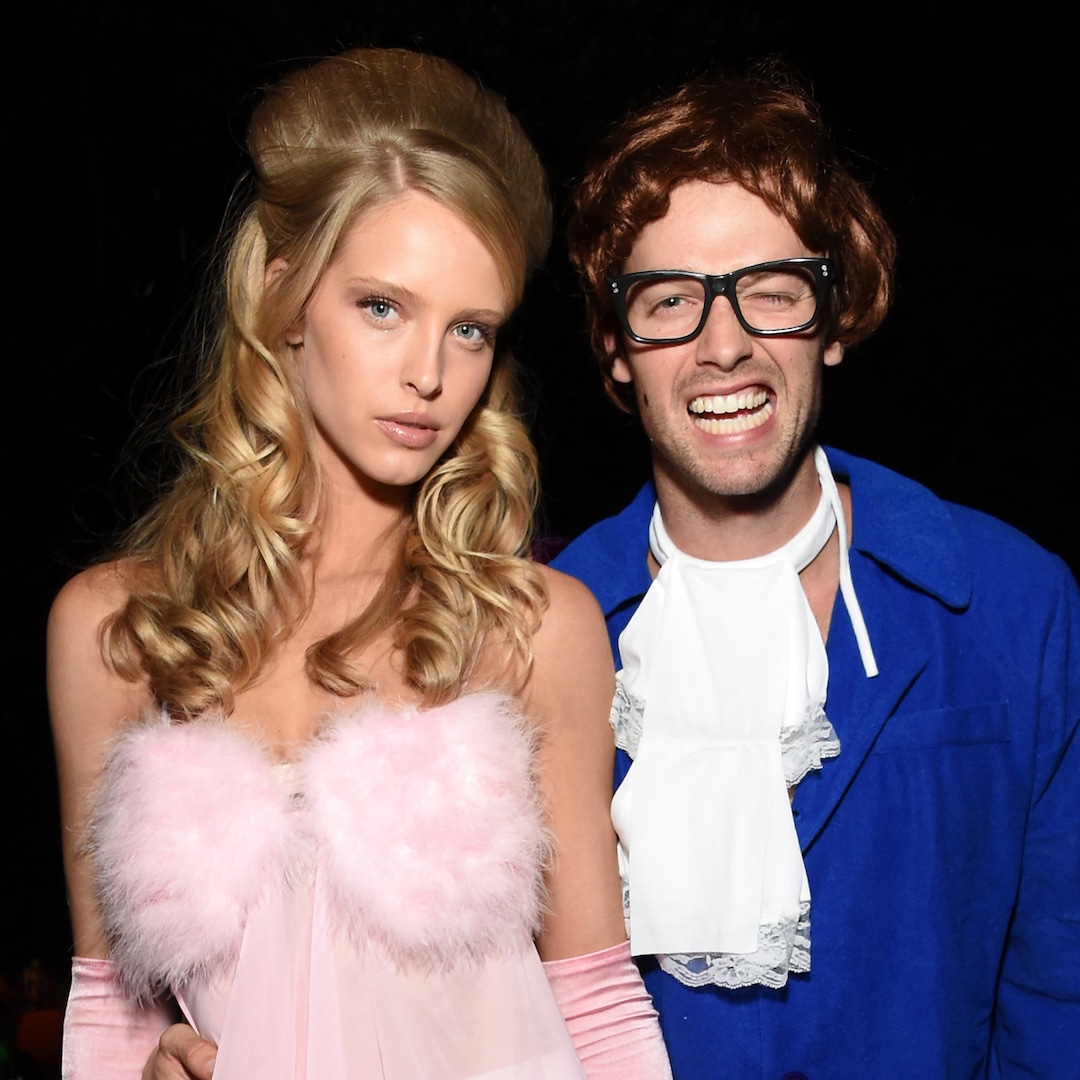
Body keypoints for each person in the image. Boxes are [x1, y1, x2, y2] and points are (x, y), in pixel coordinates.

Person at [48, 48, 671, 1080]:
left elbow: (599, 1015)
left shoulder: (535, 629)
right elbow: (109, 1023)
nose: (429, 373)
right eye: (383, 306)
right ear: (283, 297)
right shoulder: (114, 632)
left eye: (469, 330)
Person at [553, 67, 1079, 1079]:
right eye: (671, 301)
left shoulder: (1018, 608)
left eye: (771, 291)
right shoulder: (534, 638)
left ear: (832, 317)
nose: (724, 346)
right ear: (617, 346)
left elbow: (1060, 1006)